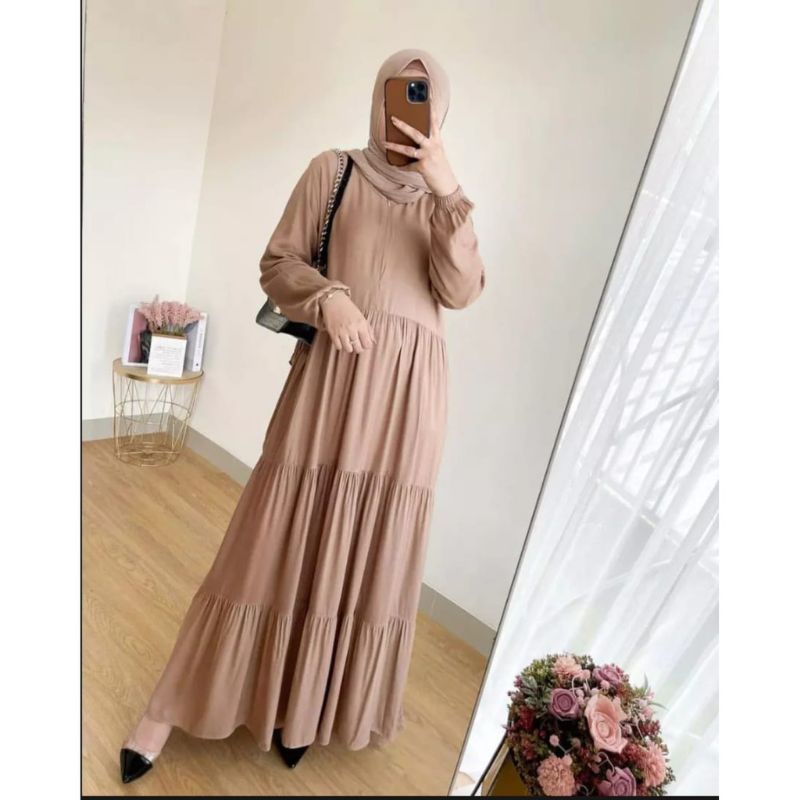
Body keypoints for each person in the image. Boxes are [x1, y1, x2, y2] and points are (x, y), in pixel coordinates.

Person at [119, 47, 485, 784]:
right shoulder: (333, 170)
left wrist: (448, 189)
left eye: (421, 101)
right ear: (376, 100)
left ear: (441, 114)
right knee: (272, 535)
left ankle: (305, 710)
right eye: (396, 97)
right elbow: (279, 263)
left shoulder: (445, 202)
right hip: (331, 385)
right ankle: (167, 707)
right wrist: (328, 297)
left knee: (366, 550)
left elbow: (462, 290)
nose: (403, 117)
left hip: (407, 404)